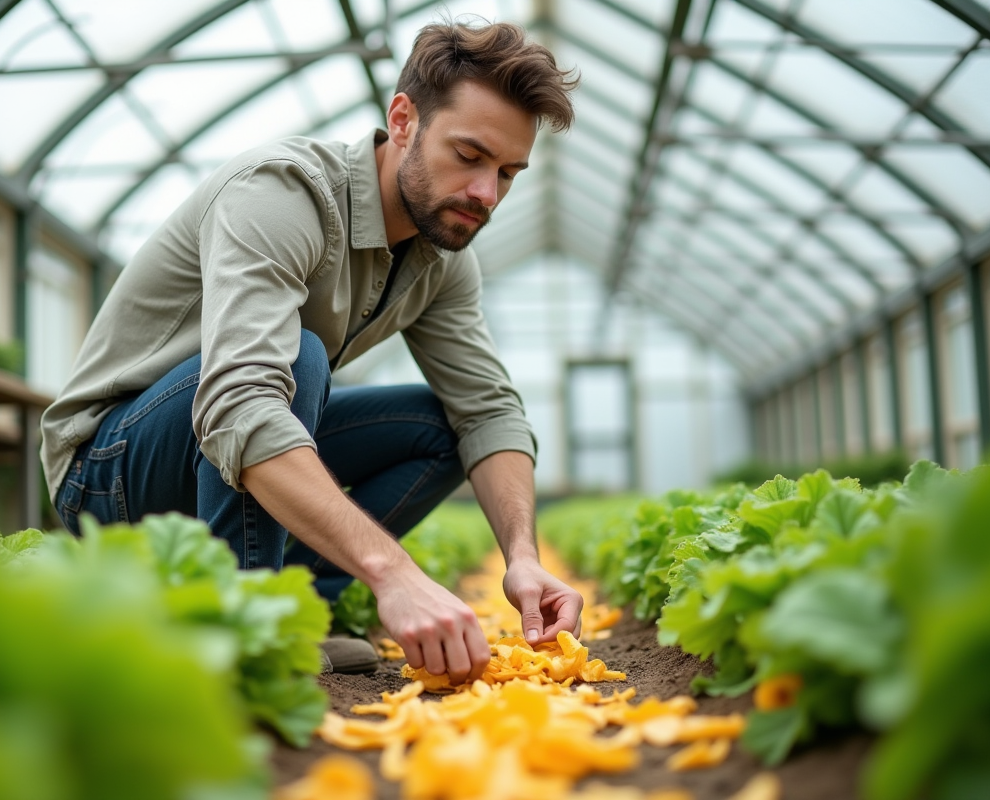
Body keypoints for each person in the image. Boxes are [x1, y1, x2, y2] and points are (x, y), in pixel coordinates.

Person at [40, 19, 583, 685]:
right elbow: (241, 403)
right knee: (294, 359)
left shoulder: (441, 253)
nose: (486, 194)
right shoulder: (282, 194)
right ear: (404, 120)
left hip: (217, 445)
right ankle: (247, 627)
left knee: (444, 426)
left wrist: (521, 557)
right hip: (109, 470)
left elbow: (489, 412)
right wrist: (395, 573)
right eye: (469, 156)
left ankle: (301, 609)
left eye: (507, 172)